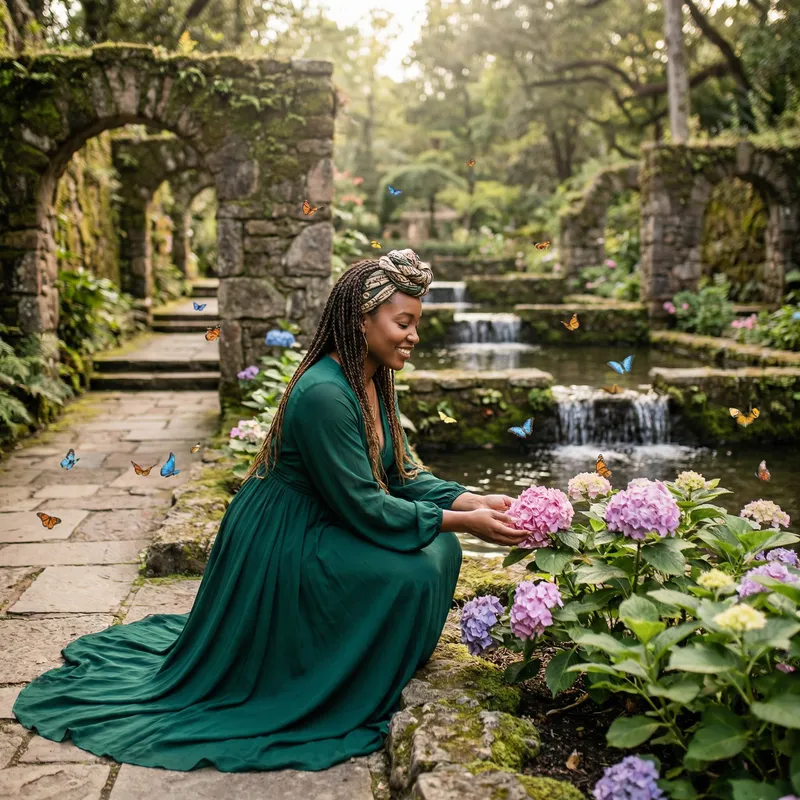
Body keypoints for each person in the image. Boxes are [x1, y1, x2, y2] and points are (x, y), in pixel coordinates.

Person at [13, 249, 528, 773]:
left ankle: (370, 664)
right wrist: (467, 523)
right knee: (413, 569)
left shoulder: (373, 379)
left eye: (417, 322)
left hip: (330, 516)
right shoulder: (326, 393)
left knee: (438, 548)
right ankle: (326, 677)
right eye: (404, 322)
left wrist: (473, 500)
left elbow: (403, 476)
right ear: (361, 320)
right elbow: (366, 507)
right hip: (286, 534)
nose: (415, 335)